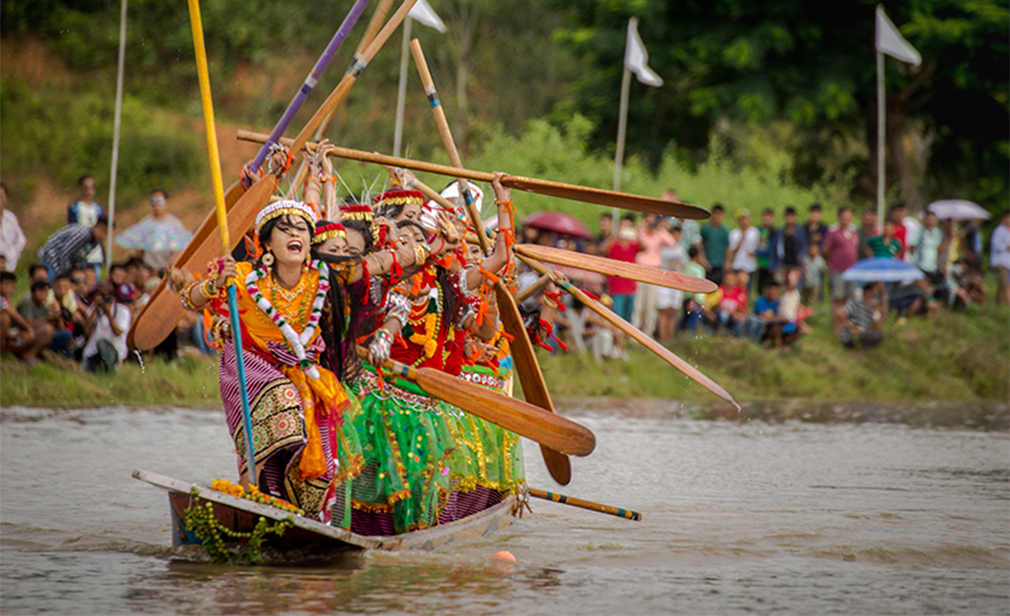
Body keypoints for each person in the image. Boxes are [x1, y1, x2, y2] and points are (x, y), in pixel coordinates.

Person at [631, 213, 675, 337]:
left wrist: (660, 230)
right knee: (638, 304)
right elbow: (631, 237)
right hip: (640, 269)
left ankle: (647, 333)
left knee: (651, 304)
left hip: (654, 271)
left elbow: (672, 243)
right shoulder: (640, 232)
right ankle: (634, 332)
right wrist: (641, 227)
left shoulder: (658, 234)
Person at [38, 215, 109, 282]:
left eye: (106, 233)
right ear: (96, 227)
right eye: (102, 231)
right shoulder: (83, 234)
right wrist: (65, 276)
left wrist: (79, 272)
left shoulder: (95, 242)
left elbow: (80, 258)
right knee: (54, 284)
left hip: (65, 262)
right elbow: (64, 254)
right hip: (53, 257)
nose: (103, 236)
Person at [81, 281, 131, 373]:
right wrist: (96, 307)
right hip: (94, 351)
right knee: (87, 369)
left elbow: (118, 332)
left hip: (114, 350)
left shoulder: (122, 311)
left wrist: (108, 313)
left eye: (106, 295)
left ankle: (112, 369)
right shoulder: (94, 309)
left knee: (102, 343)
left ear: (113, 297)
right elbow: (86, 331)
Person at [1, 272, 46, 362]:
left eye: (11, 284)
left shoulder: (4, 299)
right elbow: (10, 312)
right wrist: (27, 327)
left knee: (28, 335)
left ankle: (3, 352)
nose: (9, 287)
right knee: (5, 318)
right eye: (6, 284)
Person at [823, 206, 859, 313]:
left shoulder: (853, 231)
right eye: (844, 216)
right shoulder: (833, 231)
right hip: (837, 269)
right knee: (838, 298)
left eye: (849, 216)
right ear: (839, 217)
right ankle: (836, 325)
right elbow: (826, 250)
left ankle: (847, 323)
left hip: (852, 270)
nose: (846, 219)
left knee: (850, 298)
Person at [17, 280, 65, 360]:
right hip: (20, 333)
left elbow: (61, 328)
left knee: (63, 334)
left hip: (33, 333)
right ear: (32, 292)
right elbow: (28, 324)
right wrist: (47, 318)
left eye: (45, 291)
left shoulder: (44, 306)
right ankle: (29, 354)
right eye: (40, 291)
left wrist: (57, 318)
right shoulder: (27, 302)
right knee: (48, 329)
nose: (43, 294)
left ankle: (35, 354)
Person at [66, 175, 105, 274]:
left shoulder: (98, 209)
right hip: (81, 252)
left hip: (95, 253)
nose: (89, 191)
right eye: (86, 187)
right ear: (80, 188)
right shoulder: (75, 208)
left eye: (92, 187)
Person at [603, 226, 640, 322]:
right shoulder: (613, 246)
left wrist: (637, 234)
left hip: (631, 287)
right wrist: (614, 236)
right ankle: (617, 336)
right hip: (616, 288)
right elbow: (601, 249)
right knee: (617, 316)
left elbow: (644, 247)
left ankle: (626, 336)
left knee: (629, 316)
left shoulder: (632, 246)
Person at [836, 282, 885, 352]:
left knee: (879, 335)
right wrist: (851, 327)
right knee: (860, 336)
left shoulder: (872, 309)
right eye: (868, 294)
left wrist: (877, 315)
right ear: (864, 293)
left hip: (864, 334)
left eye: (872, 295)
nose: (870, 296)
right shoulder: (856, 303)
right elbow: (840, 313)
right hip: (852, 334)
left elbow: (877, 328)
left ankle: (863, 350)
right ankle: (853, 348)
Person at [916, 211, 949, 302]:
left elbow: (938, 249)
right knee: (923, 289)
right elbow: (912, 247)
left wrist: (950, 239)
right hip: (921, 265)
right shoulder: (920, 232)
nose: (930, 221)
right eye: (929, 218)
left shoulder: (937, 233)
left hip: (932, 266)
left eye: (932, 219)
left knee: (941, 289)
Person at [728, 209, 760, 295]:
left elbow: (758, 246)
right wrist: (741, 239)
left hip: (749, 265)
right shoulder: (734, 233)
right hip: (738, 265)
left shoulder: (754, 232)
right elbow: (732, 250)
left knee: (747, 290)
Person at [772, 206, 808, 275]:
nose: (789, 218)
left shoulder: (800, 231)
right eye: (787, 216)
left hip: (796, 264)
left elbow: (804, 246)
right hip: (782, 263)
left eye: (791, 216)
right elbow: (776, 248)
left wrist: (801, 256)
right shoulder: (780, 232)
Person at [699, 204, 730, 285]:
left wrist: (727, 262)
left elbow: (727, 247)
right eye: (716, 214)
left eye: (720, 214)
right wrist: (702, 258)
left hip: (719, 263)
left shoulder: (724, 231)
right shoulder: (705, 229)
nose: (717, 217)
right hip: (708, 263)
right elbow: (700, 244)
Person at [0, 183, 27, 272]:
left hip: (9, 266)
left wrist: (14, 253)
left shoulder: (10, 217)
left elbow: (21, 239)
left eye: (1, 197)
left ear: (6, 199)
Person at [755, 209, 777, 295]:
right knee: (760, 287)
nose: (766, 221)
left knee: (771, 286)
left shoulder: (775, 232)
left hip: (771, 264)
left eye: (768, 219)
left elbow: (772, 247)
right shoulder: (759, 231)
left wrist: (757, 252)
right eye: (764, 219)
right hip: (760, 264)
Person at [990, 211, 1010, 305]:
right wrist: (1006, 247)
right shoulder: (999, 230)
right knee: (1003, 283)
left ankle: (1004, 302)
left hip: (1007, 262)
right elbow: (996, 244)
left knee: (1007, 284)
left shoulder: (1007, 230)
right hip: (1001, 261)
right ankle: (999, 303)